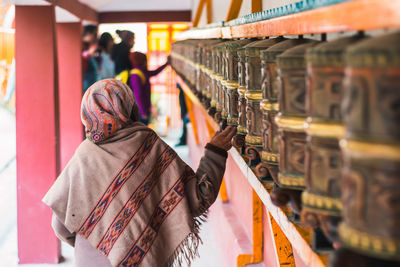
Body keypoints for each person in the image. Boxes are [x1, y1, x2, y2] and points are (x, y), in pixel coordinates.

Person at [43, 79, 236, 267]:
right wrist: (215, 152)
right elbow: (198, 198)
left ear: (87, 113)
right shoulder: (148, 145)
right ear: (128, 106)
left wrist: (98, 239)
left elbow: (60, 225)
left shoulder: (83, 156)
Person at [129, 52, 169, 125]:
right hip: (141, 110)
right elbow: (138, 95)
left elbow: (154, 73)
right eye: (145, 60)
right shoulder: (136, 74)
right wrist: (143, 112)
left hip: (145, 107)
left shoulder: (142, 71)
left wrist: (166, 64)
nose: (146, 62)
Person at [82, 25, 99, 91]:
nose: (96, 38)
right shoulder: (80, 45)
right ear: (88, 34)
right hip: (85, 87)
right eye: (95, 34)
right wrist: (88, 54)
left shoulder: (90, 46)